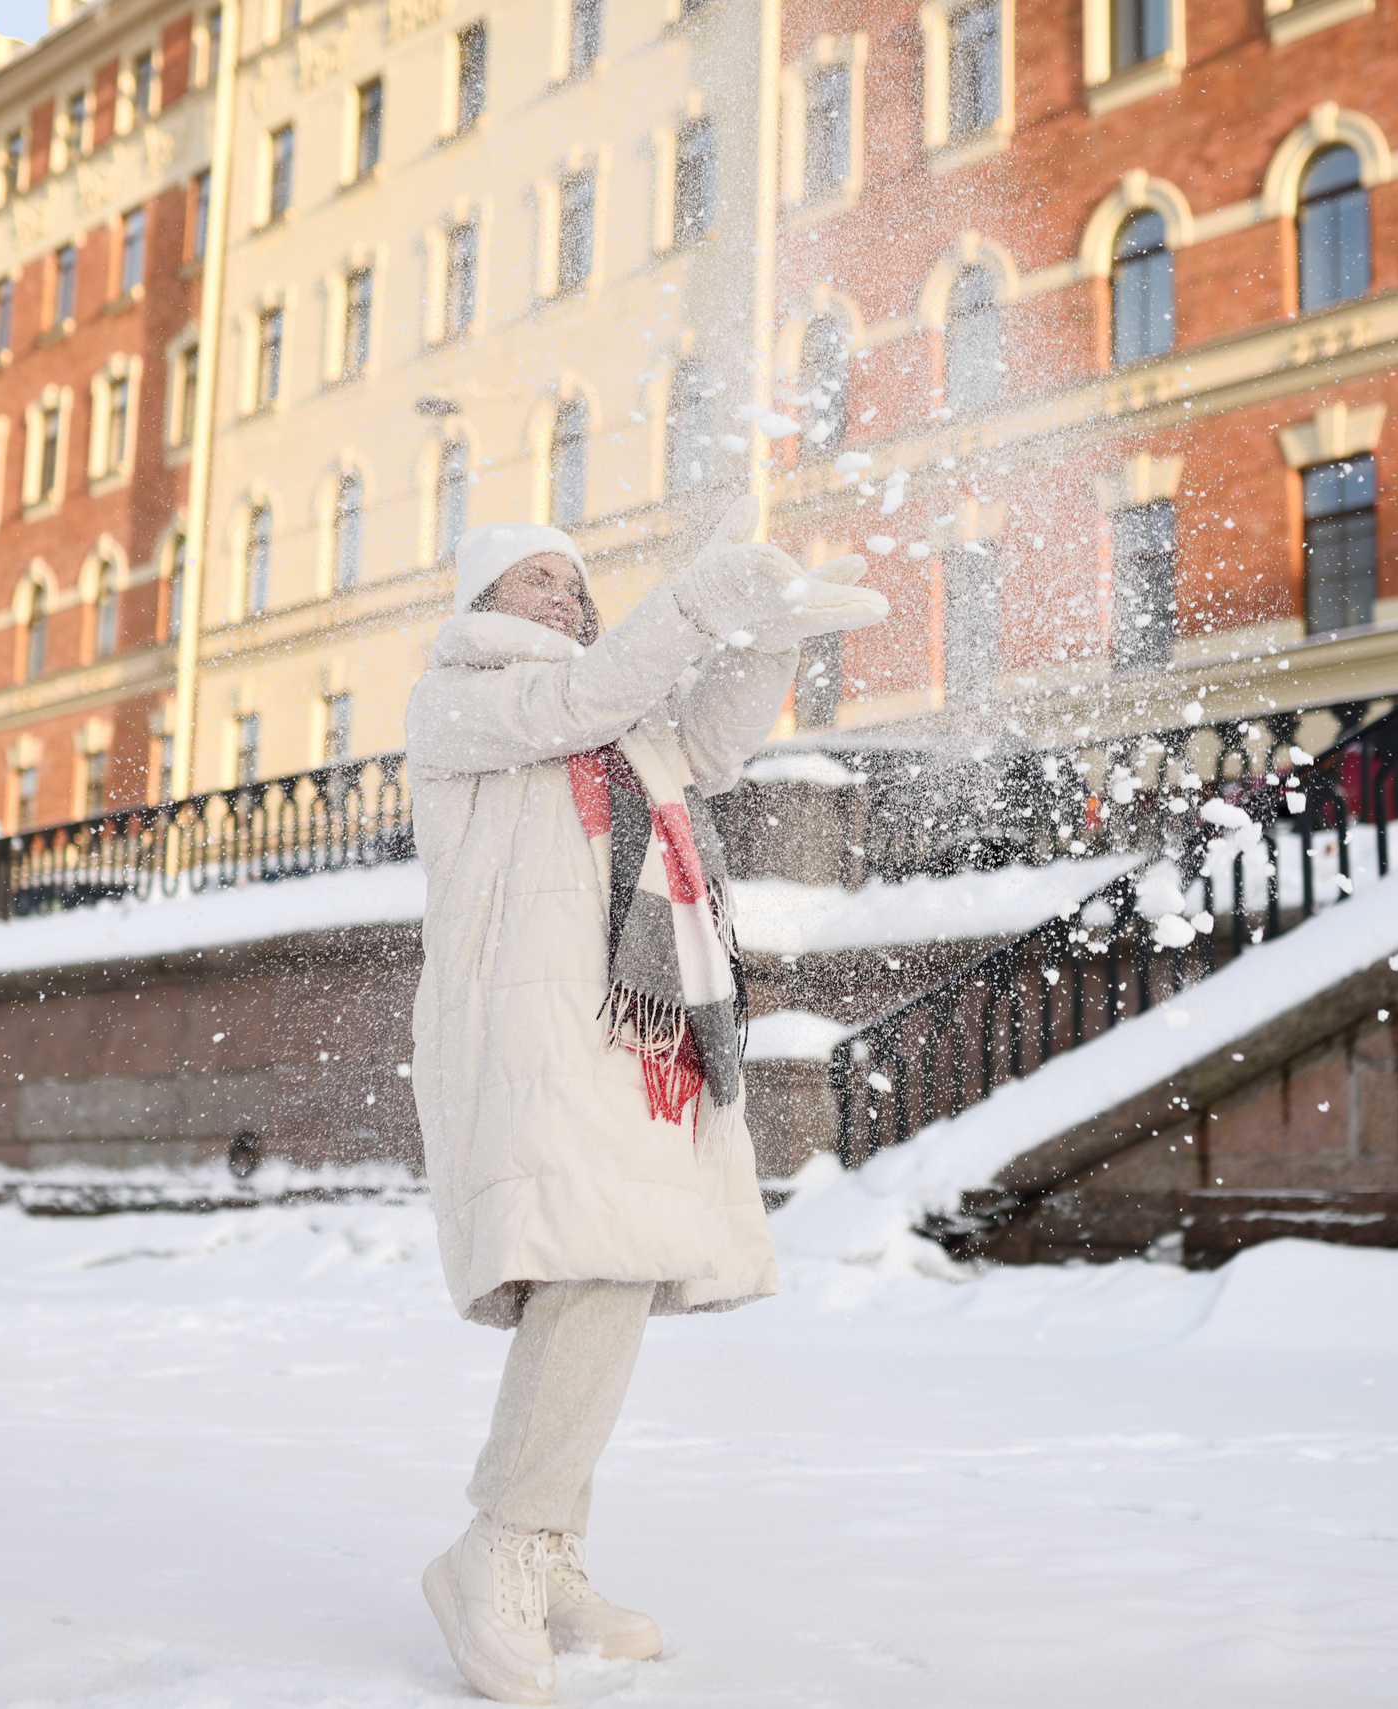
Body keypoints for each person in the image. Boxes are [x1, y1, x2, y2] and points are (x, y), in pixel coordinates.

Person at [406, 495, 885, 1704]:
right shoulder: (462, 693)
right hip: (531, 1025)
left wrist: (768, 627)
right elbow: (582, 696)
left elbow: (710, 743)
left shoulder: (624, 723)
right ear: (479, 604)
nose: (562, 601)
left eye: (572, 584)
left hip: (626, 1033)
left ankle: (542, 1548)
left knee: (604, 1270)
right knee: (592, 1265)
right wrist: (689, 603)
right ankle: (501, 1548)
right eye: (533, 583)